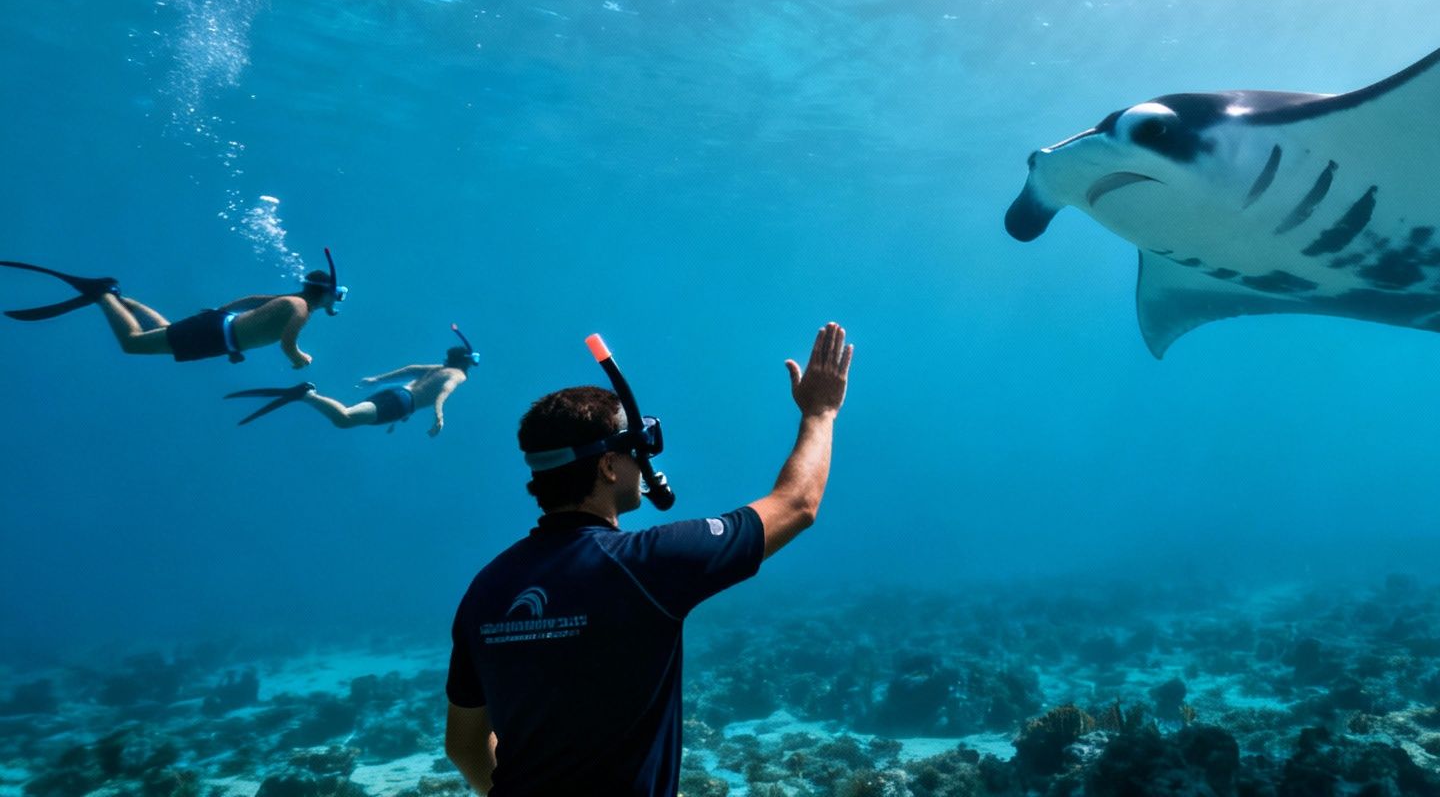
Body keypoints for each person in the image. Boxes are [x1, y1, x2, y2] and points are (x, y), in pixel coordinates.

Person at [442, 322, 853, 797]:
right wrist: (820, 413)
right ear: (608, 465)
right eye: (637, 447)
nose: (645, 461)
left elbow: (464, 745)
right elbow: (797, 504)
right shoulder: (649, 564)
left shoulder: (486, 589)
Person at [0, 252, 345, 367]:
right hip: (215, 333)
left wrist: (223, 318)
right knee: (133, 343)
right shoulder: (300, 309)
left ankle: (122, 300)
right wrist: (301, 359)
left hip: (218, 332)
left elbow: (252, 301)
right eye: (337, 296)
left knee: (163, 331)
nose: (337, 302)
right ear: (326, 294)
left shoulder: (290, 299)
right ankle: (104, 295)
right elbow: (287, 344)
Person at [227, 326, 478, 435]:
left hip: (395, 394)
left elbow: (411, 369)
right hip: (402, 403)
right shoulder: (458, 374)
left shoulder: (439, 367)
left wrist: (377, 379)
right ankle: (306, 394)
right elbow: (444, 391)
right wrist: (439, 414)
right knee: (344, 419)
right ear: (467, 362)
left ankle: (306, 396)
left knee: (346, 418)